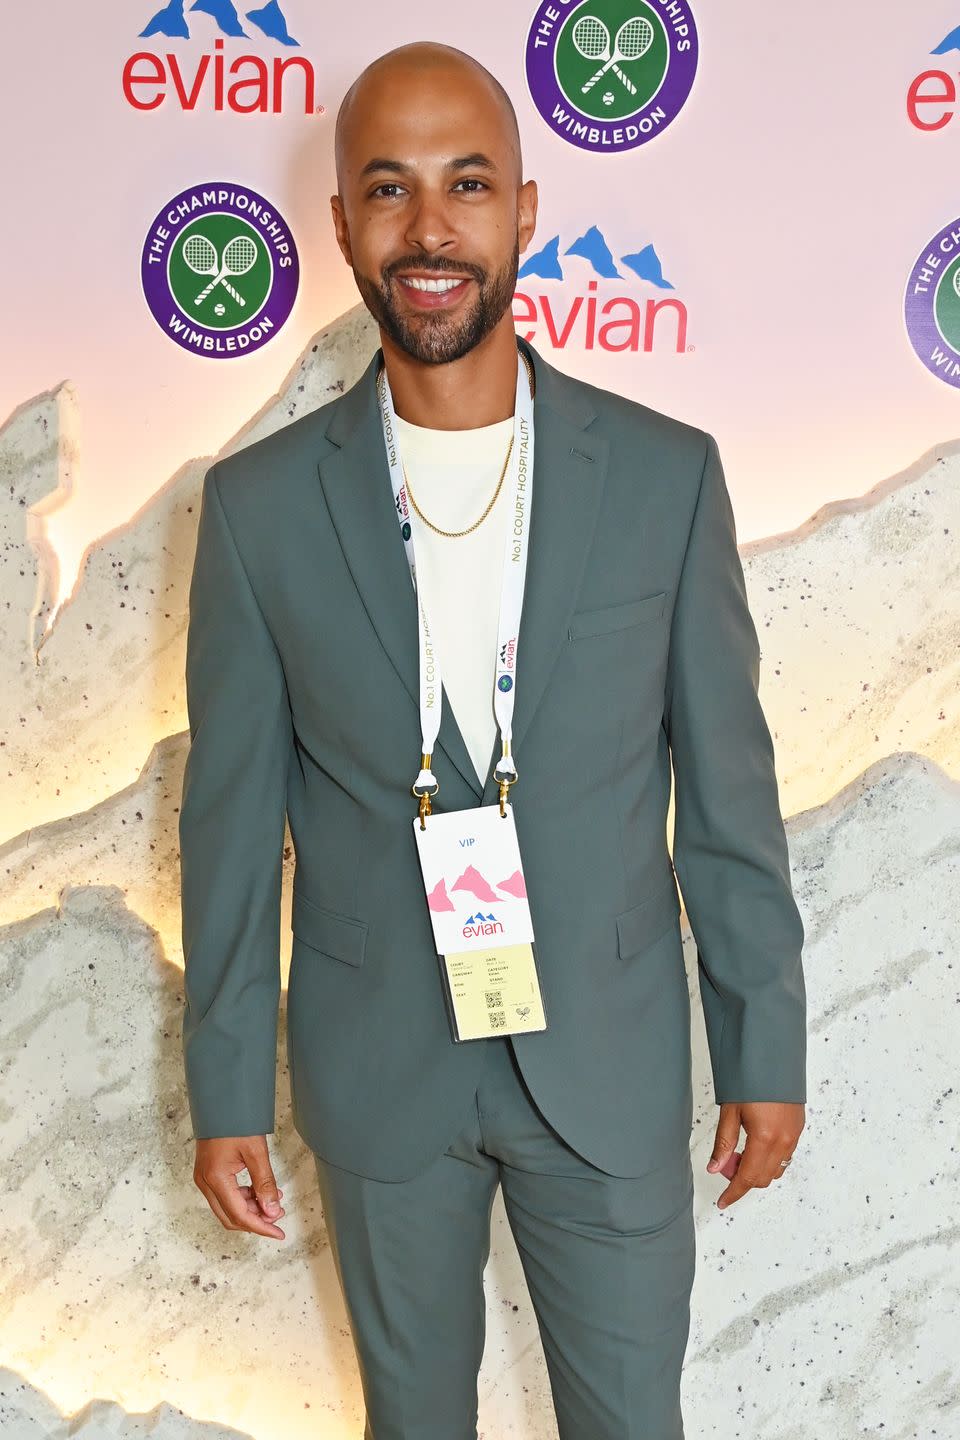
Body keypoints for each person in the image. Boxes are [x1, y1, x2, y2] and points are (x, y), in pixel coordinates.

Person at [178, 40, 807, 1440]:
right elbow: (228, 823)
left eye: (467, 184)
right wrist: (225, 1087)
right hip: (378, 1067)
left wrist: (764, 1043)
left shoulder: (665, 477)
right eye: (387, 189)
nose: (429, 228)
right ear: (339, 224)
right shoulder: (261, 510)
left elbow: (728, 796)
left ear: (525, 210)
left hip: (610, 1053)